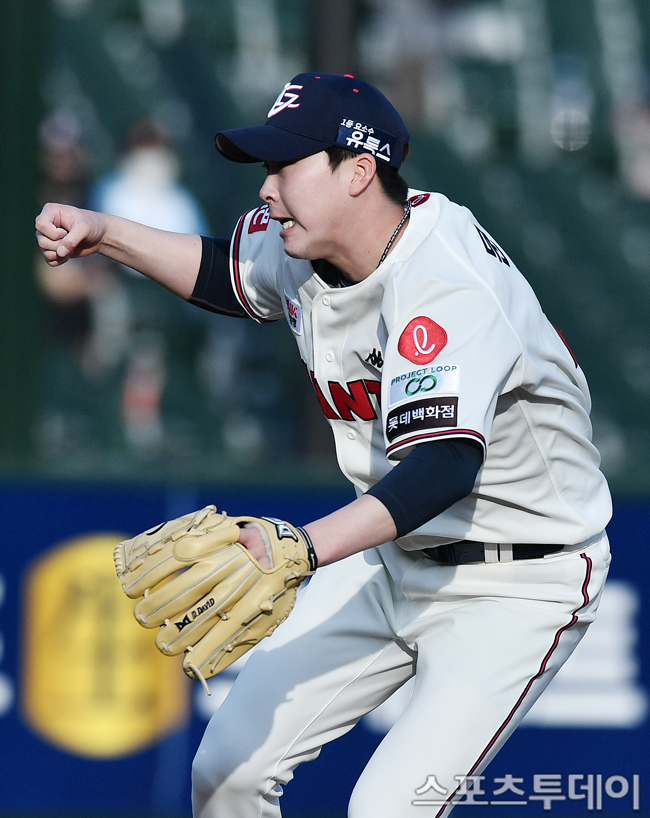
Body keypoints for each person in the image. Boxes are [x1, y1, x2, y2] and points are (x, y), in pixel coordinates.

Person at [36, 73, 612, 818]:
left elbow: (443, 467)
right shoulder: (303, 241)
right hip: (392, 554)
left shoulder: (446, 281)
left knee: (385, 809)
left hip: (518, 581)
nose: (267, 187)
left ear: (358, 171)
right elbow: (227, 274)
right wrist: (106, 233)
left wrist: (301, 549)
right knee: (227, 772)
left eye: (286, 165)